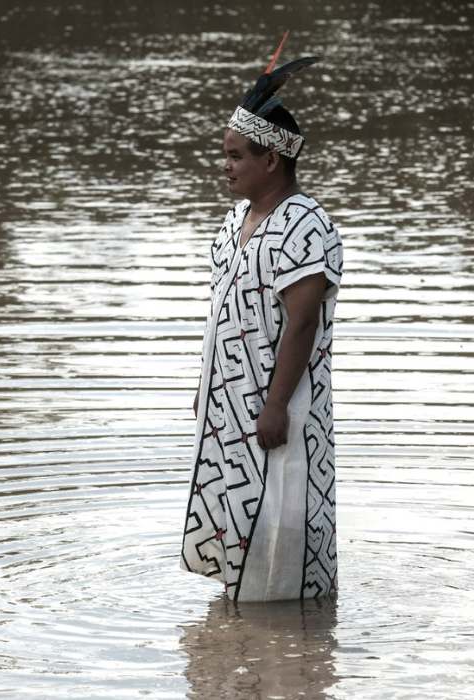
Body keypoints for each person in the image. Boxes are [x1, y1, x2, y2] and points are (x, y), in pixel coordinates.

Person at [180, 34, 343, 602]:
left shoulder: (306, 224)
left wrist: (275, 403)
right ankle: (244, 631)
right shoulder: (232, 222)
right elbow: (220, 314)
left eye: (234, 157)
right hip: (229, 400)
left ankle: (291, 643)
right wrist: (205, 389)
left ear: (271, 159)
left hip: (281, 403)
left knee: (284, 514)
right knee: (235, 514)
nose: (225, 167)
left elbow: (301, 324)